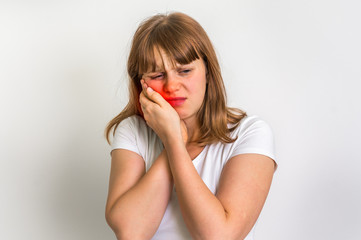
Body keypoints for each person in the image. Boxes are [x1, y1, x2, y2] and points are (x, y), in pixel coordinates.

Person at [104, 12, 277, 240]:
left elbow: (220, 236)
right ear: (141, 83)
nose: (172, 85)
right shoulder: (132, 131)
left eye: (184, 71)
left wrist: (175, 141)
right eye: (157, 74)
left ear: (207, 72)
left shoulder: (250, 133)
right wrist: (173, 138)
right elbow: (130, 232)